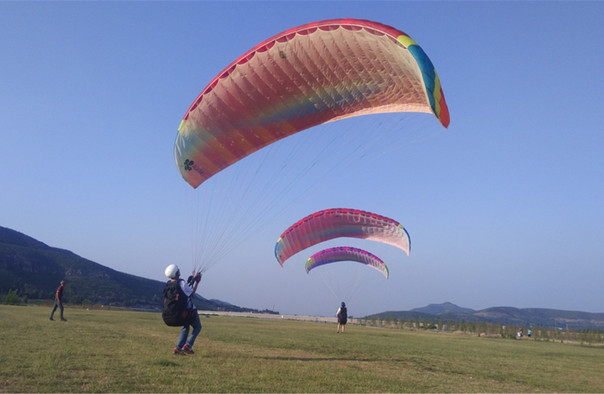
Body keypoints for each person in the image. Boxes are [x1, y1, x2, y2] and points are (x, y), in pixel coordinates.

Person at [164, 264, 202, 355]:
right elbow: (191, 293)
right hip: (188, 310)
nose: (179, 270)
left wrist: (192, 280)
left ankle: (178, 348)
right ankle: (188, 345)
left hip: (179, 312)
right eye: (178, 270)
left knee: (185, 327)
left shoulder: (169, 283)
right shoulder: (181, 283)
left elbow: (183, 291)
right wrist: (197, 282)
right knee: (197, 327)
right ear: (176, 273)